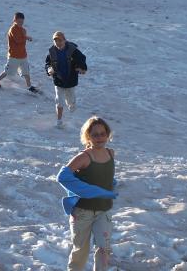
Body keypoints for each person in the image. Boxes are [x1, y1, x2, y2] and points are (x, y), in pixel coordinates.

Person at [57, 116, 117, 271]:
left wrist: (110, 185)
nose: (100, 138)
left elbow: (105, 175)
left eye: (103, 133)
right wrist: (92, 191)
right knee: (80, 252)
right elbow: (62, 177)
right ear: (88, 136)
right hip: (83, 212)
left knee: (104, 249)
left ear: (108, 134)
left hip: (104, 210)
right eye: (95, 134)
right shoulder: (84, 156)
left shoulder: (111, 153)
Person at [45, 31, 87, 128]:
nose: (58, 43)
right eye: (55, 41)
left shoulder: (73, 51)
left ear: (64, 40)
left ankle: (72, 106)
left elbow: (82, 59)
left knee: (71, 102)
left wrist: (82, 68)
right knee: (59, 101)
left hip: (70, 80)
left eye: (60, 40)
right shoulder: (52, 52)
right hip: (58, 80)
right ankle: (59, 121)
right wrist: (49, 69)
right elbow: (48, 63)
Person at [0, 12, 39, 93]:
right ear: (15, 20)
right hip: (14, 56)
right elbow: (18, 40)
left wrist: (26, 36)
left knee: (26, 72)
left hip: (23, 55)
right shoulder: (12, 30)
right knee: (7, 71)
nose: (21, 23)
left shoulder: (23, 30)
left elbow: (22, 38)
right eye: (19, 21)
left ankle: (29, 86)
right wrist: (26, 38)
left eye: (22, 22)